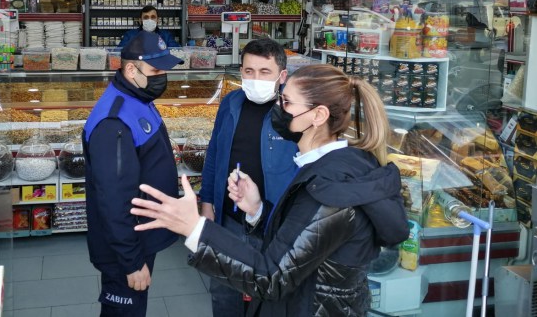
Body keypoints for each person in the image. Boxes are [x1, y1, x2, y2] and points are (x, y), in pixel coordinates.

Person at [131, 64, 409, 316]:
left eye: (287, 102)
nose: (278, 108)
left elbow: (272, 277)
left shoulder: (332, 188)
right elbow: (298, 246)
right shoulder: (332, 168)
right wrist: (258, 211)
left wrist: (195, 229)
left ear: (319, 115)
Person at [82, 30, 183, 316]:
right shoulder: (113, 122)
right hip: (125, 249)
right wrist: (131, 261)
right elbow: (114, 198)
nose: (162, 77)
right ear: (130, 70)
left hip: (140, 236)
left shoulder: (138, 98)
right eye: (156, 71)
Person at [200, 38, 297, 316]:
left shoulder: (293, 111)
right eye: (249, 71)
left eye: (265, 72)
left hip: (274, 225)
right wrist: (207, 202)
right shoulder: (231, 103)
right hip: (228, 222)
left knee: (269, 298)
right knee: (224, 294)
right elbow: (214, 154)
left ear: (282, 76)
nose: (255, 79)